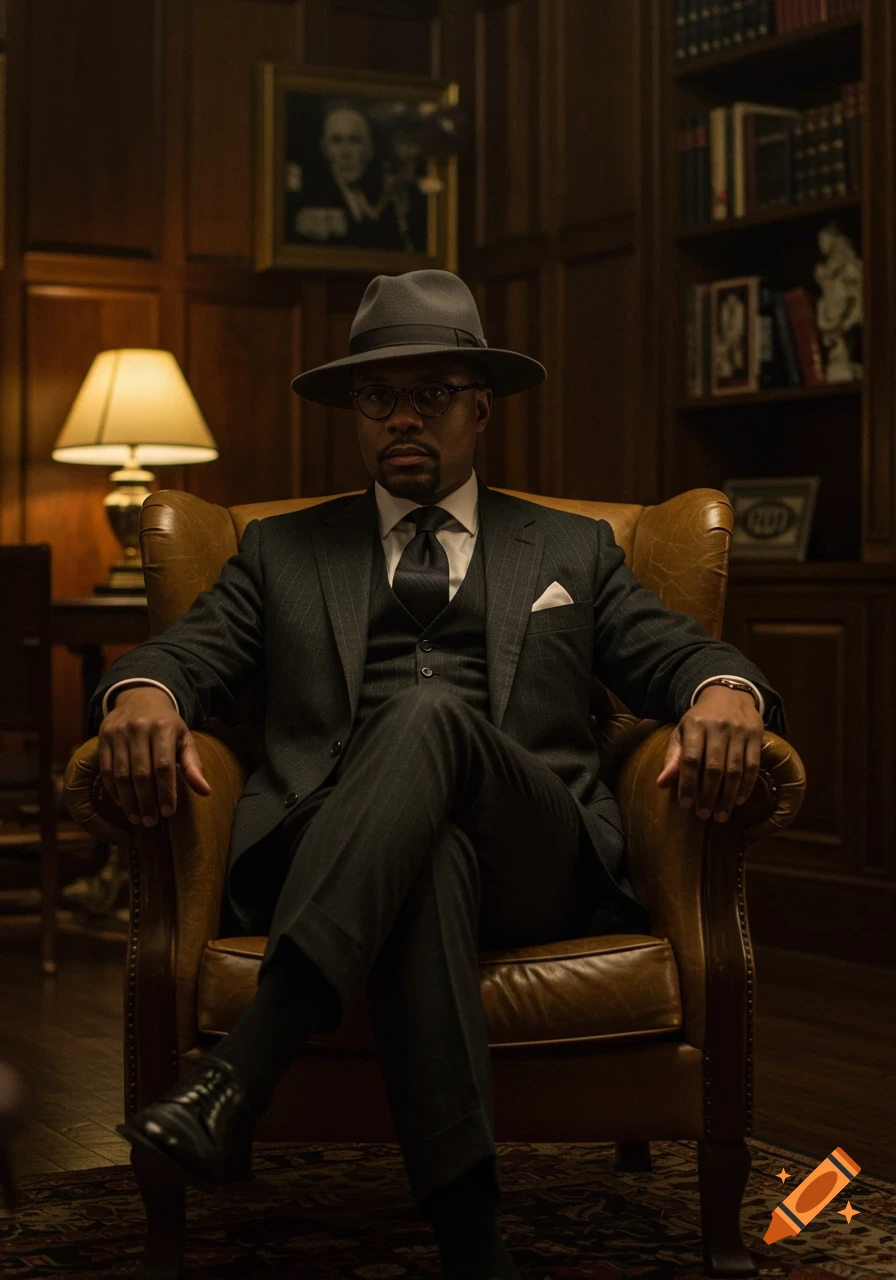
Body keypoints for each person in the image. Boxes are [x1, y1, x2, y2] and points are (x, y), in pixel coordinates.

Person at [89, 269, 786, 1280]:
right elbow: (181, 656)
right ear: (352, 413)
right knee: (428, 859)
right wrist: (139, 692)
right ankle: (471, 1237)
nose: (400, 416)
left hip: (533, 856)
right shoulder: (278, 552)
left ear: (478, 406)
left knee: (426, 712)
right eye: (377, 396)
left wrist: (726, 686)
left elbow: (674, 652)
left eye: (429, 392)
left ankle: (250, 1059)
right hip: (334, 849)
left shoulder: (571, 549)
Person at [287, 103, 410, 252]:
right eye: (336, 141)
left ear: (369, 150)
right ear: (324, 148)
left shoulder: (384, 201)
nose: (345, 153)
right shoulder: (310, 202)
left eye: (354, 140)